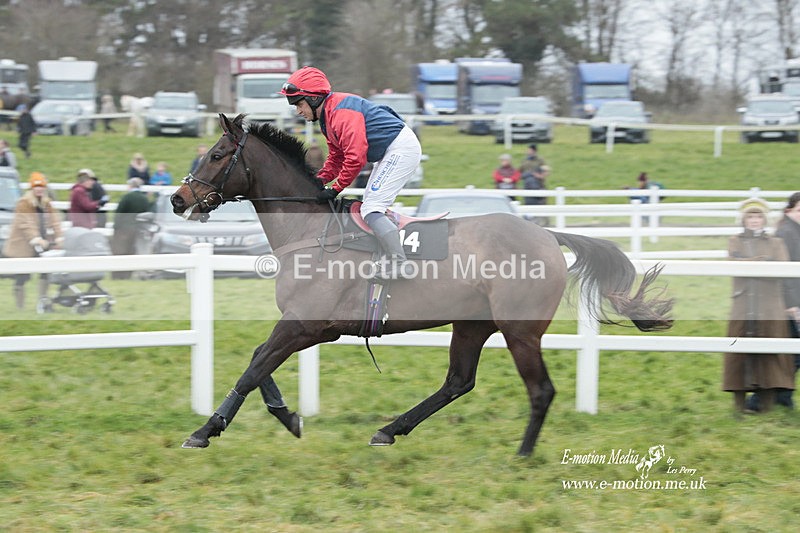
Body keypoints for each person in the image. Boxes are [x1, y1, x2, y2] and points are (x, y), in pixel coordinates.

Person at [279, 66, 422, 280]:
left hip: (400, 149)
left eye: (299, 104)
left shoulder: (341, 113)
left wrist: (335, 188)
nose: (298, 111)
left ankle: (401, 264)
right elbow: (336, 158)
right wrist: (317, 181)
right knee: (370, 205)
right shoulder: (328, 117)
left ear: (314, 98)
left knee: (372, 207)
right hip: (391, 150)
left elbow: (355, 157)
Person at [722, 198, 796, 414]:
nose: (754, 220)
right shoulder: (735, 240)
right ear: (744, 219)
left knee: (770, 354)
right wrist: (760, 261)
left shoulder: (776, 243)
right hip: (743, 304)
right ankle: (738, 407)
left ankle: (767, 407)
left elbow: (780, 269)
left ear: (765, 219)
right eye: (750, 216)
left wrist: (749, 261)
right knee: (739, 353)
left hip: (770, 305)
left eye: (758, 216)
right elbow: (733, 265)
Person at [748, 192, 800, 410]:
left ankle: (780, 397)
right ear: (789, 211)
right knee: (790, 353)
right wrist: (792, 305)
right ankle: (760, 399)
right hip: (789, 302)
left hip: (790, 300)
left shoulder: (793, 231)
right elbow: (785, 274)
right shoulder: (787, 233)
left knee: (791, 352)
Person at [2, 172, 62, 310]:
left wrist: (59, 236)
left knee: (45, 272)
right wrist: (36, 239)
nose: (39, 189)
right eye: (36, 186)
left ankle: (42, 302)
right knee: (21, 277)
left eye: (41, 186)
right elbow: (26, 224)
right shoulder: (24, 203)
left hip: (41, 244)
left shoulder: (47, 203)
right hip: (23, 245)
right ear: (31, 188)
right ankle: (20, 308)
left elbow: (55, 221)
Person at [111, 178, 151, 279]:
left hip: (124, 229)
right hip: (138, 229)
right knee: (131, 251)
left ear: (130, 186)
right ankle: (128, 274)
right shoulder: (144, 198)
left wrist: (116, 227)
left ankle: (118, 275)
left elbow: (119, 214)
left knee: (120, 251)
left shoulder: (127, 197)